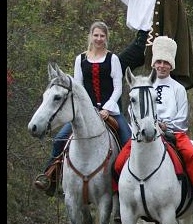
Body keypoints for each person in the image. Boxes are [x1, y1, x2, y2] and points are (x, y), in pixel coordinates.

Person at [34, 21, 131, 195]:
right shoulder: (81, 59)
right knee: (59, 140)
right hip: (86, 112)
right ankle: (50, 177)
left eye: (102, 36)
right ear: (90, 36)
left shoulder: (113, 59)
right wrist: (88, 109)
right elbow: (77, 87)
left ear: (106, 38)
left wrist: (107, 108)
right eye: (96, 35)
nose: (99, 39)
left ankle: (125, 186)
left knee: (127, 140)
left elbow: (118, 87)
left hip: (110, 111)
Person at [113, 36, 193, 215]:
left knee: (192, 156)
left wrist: (166, 126)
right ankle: (120, 201)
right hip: (143, 134)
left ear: (171, 66)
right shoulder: (143, 85)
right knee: (118, 163)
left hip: (172, 133)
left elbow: (182, 118)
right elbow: (132, 112)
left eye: (165, 62)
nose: (162, 66)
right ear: (153, 64)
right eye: (158, 62)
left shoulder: (178, 89)